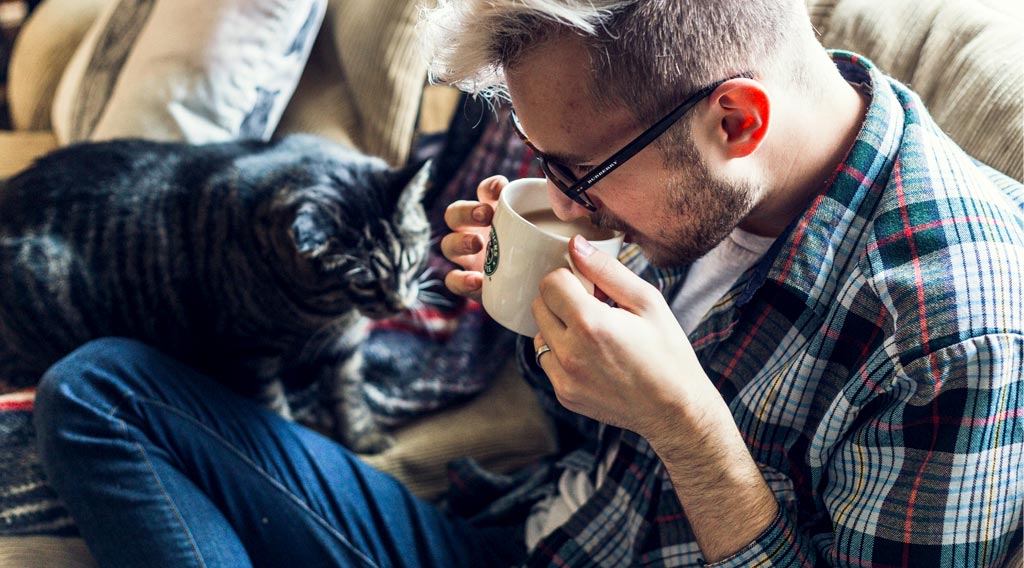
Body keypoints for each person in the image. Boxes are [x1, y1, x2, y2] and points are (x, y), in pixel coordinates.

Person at [33, 0, 1022, 566]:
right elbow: (589, 432)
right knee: (99, 388)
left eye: (576, 174)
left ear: (736, 122)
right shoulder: (698, 187)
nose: (564, 201)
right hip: (534, 533)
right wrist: (526, 314)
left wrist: (691, 435)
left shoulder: (954, 332)